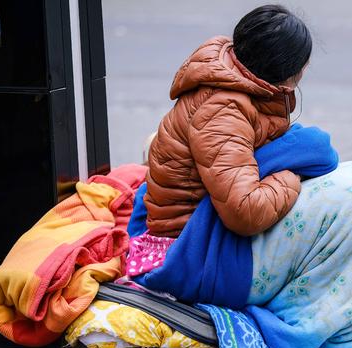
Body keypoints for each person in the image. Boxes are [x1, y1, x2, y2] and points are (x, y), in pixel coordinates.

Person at [127, 5, 312, 277]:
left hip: (199, 221)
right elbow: (245, 212)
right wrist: (291, 176)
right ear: (287, 72)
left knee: (311, 147)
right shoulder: (224, 109)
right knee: (320, 161)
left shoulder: (236, 78)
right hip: (189, 248)